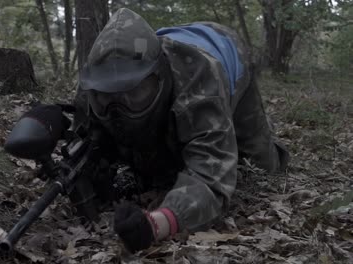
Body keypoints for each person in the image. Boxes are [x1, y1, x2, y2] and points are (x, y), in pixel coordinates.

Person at [73, 8, 289, 252]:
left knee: (261, 158)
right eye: (106, 97)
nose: (118, 109)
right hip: (172, 54)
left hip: (227, 49)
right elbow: (82, 136)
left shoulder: (200, 77)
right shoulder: (94, 82)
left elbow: (210, 176)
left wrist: (159, 222)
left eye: (134, 93)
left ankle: (264, 146)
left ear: (159, 77)